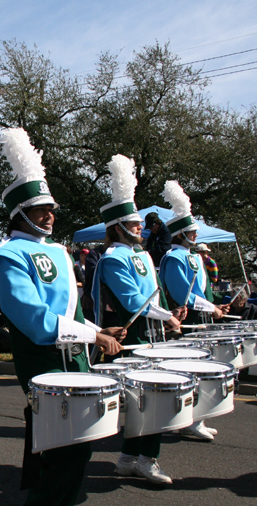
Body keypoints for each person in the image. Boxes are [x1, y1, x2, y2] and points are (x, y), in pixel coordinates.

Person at [0, 128, 123, 506]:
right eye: (41, 209)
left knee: (69, 451)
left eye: (51, 208)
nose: (50, 215)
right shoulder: (6, 256)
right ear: (20, 214)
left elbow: (68, 312)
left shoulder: (56, 250)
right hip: (43, 361)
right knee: (67, 454)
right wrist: (94, 337)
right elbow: (37, 323)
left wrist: (98, 328)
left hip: (74, 359)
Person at [92, 154, 185, 484]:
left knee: (143, 402)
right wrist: (167, 318)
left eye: (140, 224)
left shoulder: (141, 253)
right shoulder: (115, 258)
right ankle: (147, 460)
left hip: (152, 332)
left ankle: (129, 458)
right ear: (118, 228)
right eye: (133, 225)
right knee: (151, 402)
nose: (140, 228)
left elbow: (153, 295)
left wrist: (169, 313)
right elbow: (133, 302)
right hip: (133, 336)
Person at [159, 180, 228, 441]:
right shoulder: (174, 257)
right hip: (189, 319)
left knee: (203, 368)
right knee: (191, 370)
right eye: (193, 233)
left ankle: (197, 417)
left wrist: (217, 303)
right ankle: (187, 419)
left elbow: (204, 291)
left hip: (204, 316)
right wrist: (210, 307)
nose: (196, 237)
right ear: (181, 234)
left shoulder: (194, 257)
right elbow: (182, 296)